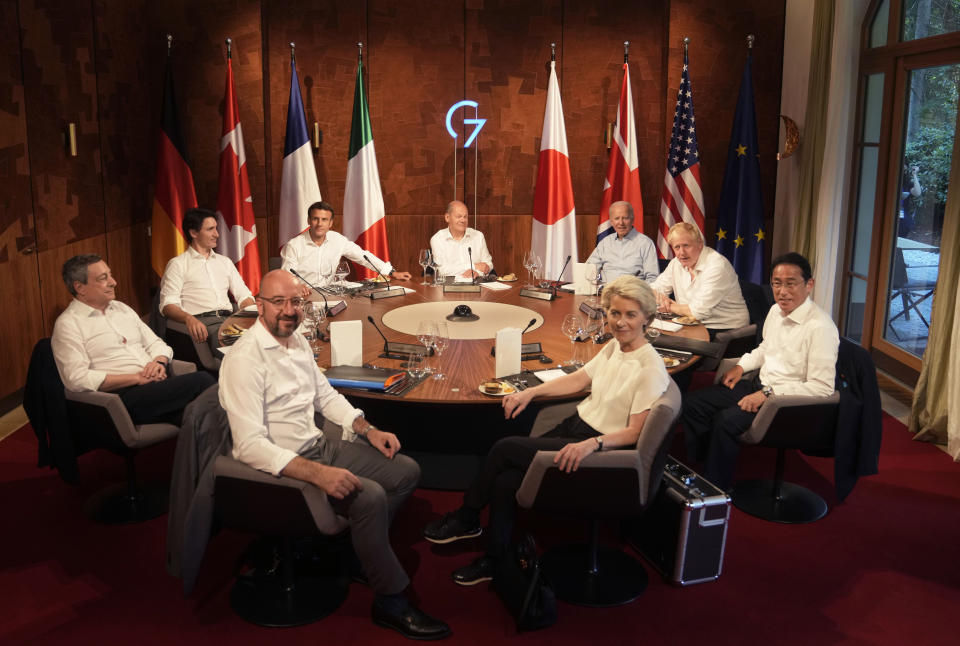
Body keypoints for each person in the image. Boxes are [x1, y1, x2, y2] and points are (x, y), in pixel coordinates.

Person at [218, 269, 449, 640]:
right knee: (371, 496)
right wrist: (317, 474)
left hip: (318, 445)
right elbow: (248, 446)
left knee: (405, 472)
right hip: (285, 467)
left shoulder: (296, 342)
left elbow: (325, 395)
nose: (289, 310)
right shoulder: (245, 359)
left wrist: (367, 429)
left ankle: (360, 549)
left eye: (296, 301)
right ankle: (390, 601)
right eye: (278, 302)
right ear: (259, 305)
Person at [422, 276, 670, 584]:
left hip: (597, 450)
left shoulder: (650, 368)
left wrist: (592, 444)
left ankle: (467, 516)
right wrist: (529, 393)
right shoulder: (614, 347)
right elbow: (579, 380)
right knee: (505, 482)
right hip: (576, 428)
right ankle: (495, 560)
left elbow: (635, 433)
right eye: (615, 313)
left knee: (503, 448)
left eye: (630, 314)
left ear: (647, 316)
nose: (620, 322)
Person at [681, 252, 839, 490]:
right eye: (777, 283)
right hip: (760, 384)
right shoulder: (776, 311)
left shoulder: (821, 328)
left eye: (790, 283)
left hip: (785, 401)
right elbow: (765, 347)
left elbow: (822, 387)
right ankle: (705, 463)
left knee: (726, 420)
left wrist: (767, 395)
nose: (782, 291)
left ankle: (716, 487)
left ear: (809, 285)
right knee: (692, 404)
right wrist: (741, 366)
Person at [51, 254, 215, 425]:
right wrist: (136, 378)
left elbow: (156, 343)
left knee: (200, 418)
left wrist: (158, 362)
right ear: (80, 287)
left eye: (110, 274)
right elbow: (77, 379)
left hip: (157, 385)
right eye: (103, 278)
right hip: (121, 397)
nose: (113, 282)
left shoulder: (122, 308)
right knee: (203, 381)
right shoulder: (69, 324)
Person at [158, 208, 255, 350]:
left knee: (271, 338)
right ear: (193, 233)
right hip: (204, 325)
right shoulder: (178, 264)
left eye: (216, 228)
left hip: (231, 321)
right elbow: (168, 305)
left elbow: (244, 294)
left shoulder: (224, 262)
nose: (217, 234)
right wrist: (188, 319)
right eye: (210, 229)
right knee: (246, 348)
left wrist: (250, 314)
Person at [651, 222, 749, 337]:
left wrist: (670, 306)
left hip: (726, 331)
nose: (681, 252)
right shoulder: (676, 264)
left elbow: (696, 312)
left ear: (700, 244)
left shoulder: (717, 265)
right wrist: (660, 298)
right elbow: (652, 290)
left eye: (686, 245)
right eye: (677, 247)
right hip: (690, 325)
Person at [280, 200, 412, 286]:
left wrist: (391, 272)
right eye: (315, 219)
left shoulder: (337, 239)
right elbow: (286, 278)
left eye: (324, 220)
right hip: (305, 297)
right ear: (309, 220)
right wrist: (298, 288)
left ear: (330, 223)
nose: (320, 224)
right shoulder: (294, 246)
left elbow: (363, 257)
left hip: (332, 295)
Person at [586, 201, 659, 281]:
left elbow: (653, 279)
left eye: (625, 218)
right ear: (611, 222)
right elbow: (589, 269)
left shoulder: (646, 243)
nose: (621, 223)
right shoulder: (605, 243)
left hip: (633, 292)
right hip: (606, 291)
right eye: (617, 218)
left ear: (632, 219)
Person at [429, 200, 493, 279]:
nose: (463, 220)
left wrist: (477, 272)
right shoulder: (437, 239)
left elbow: (488, 264)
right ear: (447, 217)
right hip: (447, 287)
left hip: (476, 284)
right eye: (459, 216)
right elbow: (442, 270)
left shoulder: (478, 236)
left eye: (465, 217)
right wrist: (473, 266)